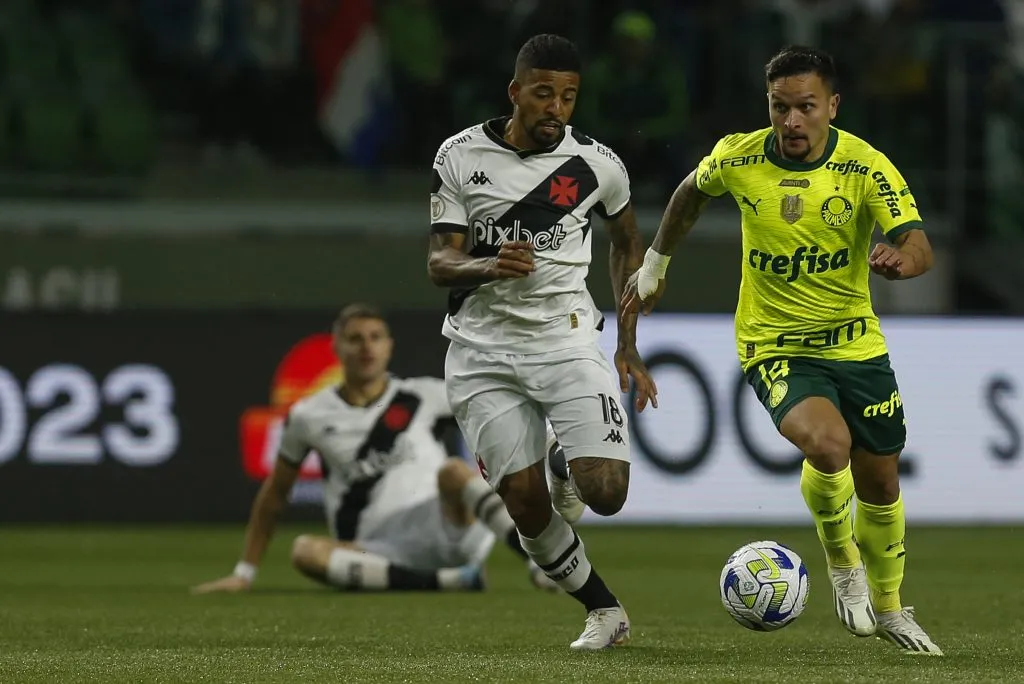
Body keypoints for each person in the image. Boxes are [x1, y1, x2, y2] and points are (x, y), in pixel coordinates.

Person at [622, 46, 941, 655]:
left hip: (856, 344)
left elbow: (918, 243)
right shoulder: (739, 157)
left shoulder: (866, 168)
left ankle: (893, 606)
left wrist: (903, 264)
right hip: (774, 344)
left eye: (805, 107)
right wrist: (655, 264)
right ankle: (842, 563)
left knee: (881, 484)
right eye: (780, 107)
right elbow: (688, 193)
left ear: (832, 106)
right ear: (767, 105)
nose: (791, 121)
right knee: (827, 444)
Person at [426, 34, 658, 650]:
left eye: (569, 97)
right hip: (480, 351)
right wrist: (487, 265)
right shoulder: (459, 156)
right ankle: (604, 612)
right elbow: (438, 262)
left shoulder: (597, 165)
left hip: (566, 337)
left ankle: (565, 462)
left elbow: (627, 240)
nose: (557, 107)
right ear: (516, 92)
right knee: (524, 505)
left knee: (605, 493)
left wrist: (628, 340)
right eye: (544, 93)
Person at [191, 303, 558, 596]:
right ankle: (455, 581)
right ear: (336, 347)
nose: (366, 347)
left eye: (375, 337)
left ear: (389, 345)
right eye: (355, 339)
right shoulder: (309, 415)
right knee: (305, 551)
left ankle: (540, 561)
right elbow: (275, 496)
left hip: (447, 528)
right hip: (374, 549)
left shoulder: (423, 395)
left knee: (454, 471)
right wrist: (244, 572)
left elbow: (498, 407)